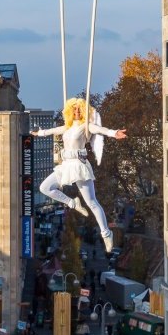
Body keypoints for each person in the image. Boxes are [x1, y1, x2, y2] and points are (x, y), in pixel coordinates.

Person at [31, 97, 126, 254]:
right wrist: (38, 133)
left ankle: (107, 234)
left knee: (92, 202)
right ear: (69, 111)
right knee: (45, 187)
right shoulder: (67, 127)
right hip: (66, 165)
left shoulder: (86, 126)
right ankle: (73, 203)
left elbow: (101, 130)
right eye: (73, 109)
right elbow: (49, 131)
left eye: (79, 109)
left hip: (79, 165)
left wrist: (114, 133)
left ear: (83, 111)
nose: (76, 112)